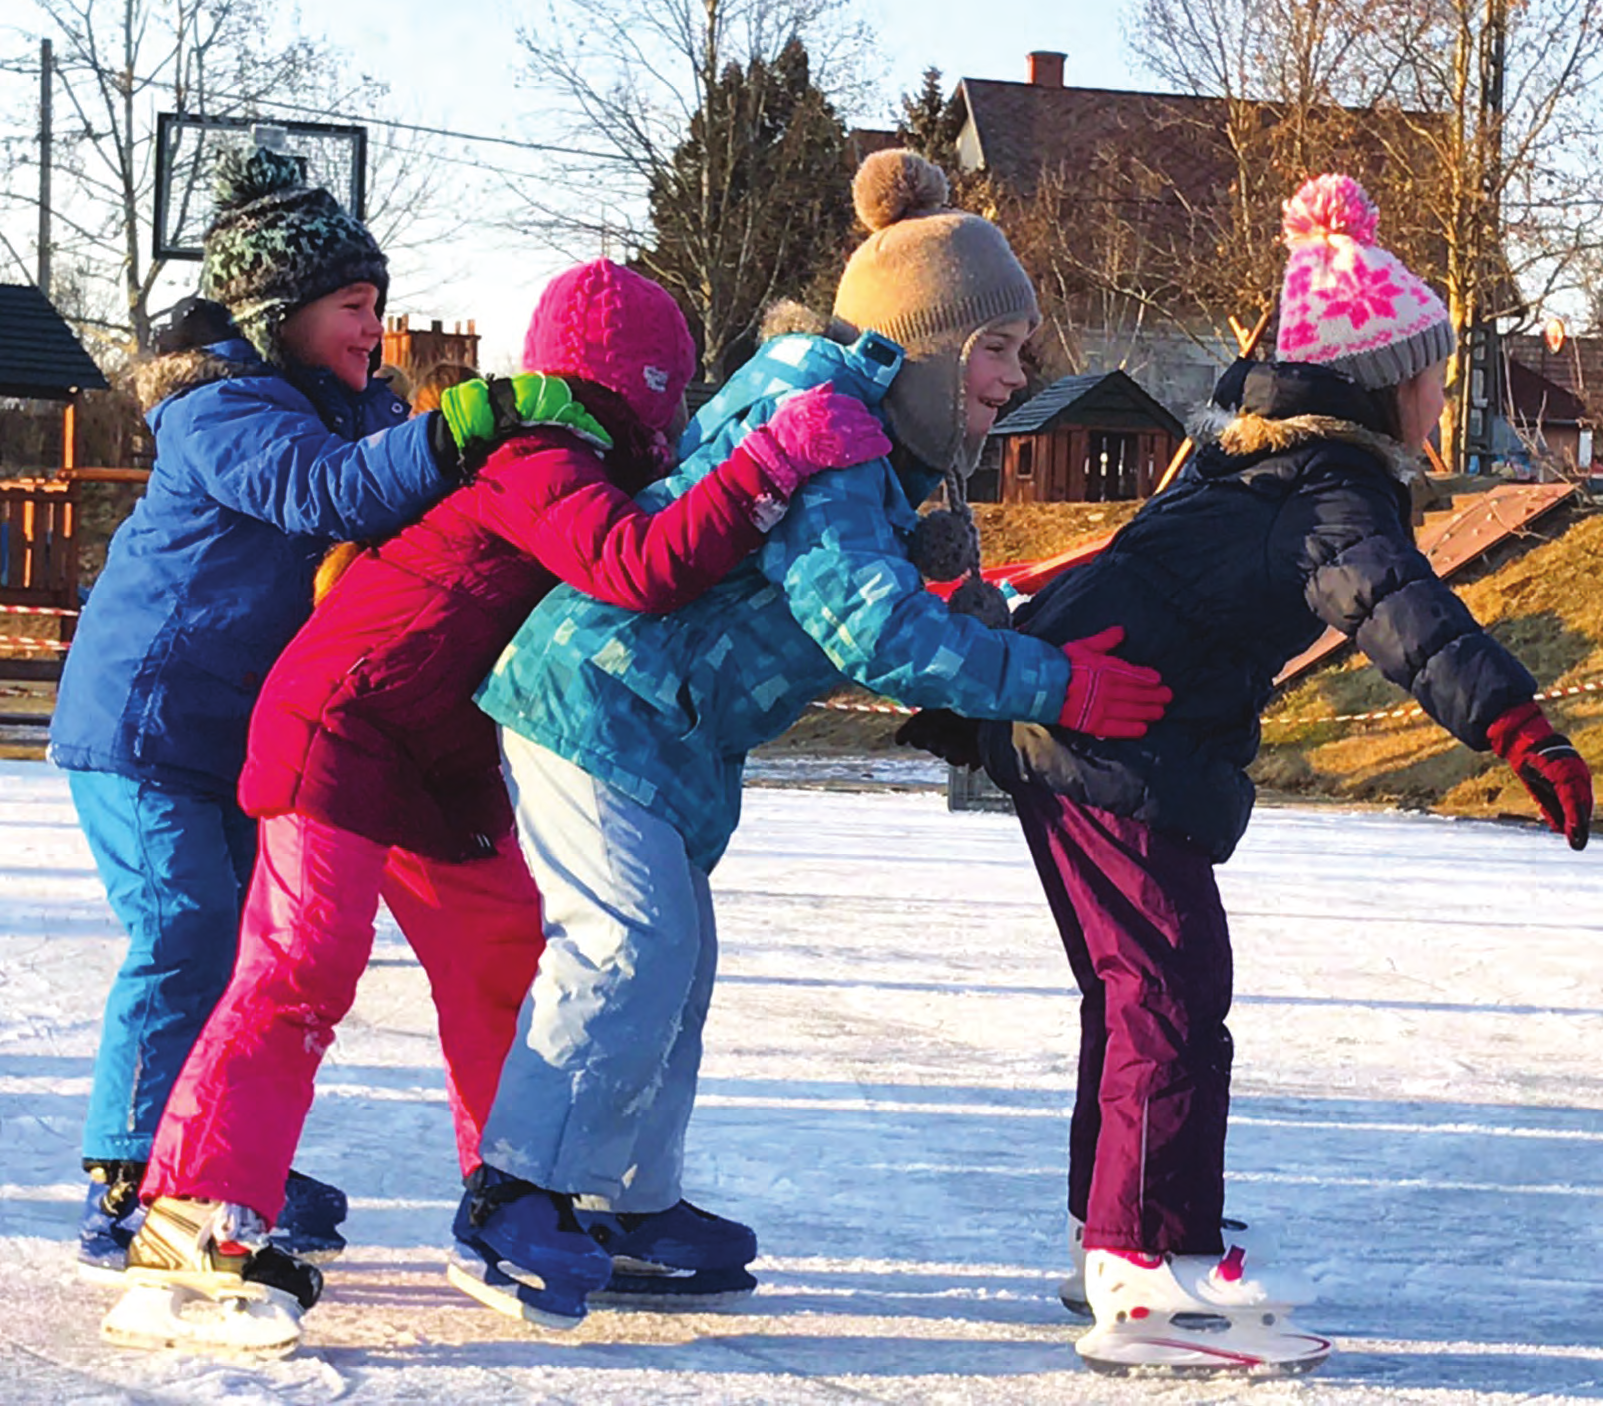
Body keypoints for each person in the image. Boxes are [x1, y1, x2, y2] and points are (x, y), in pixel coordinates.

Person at [108, 260, 891, 1352]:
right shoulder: (541, 454)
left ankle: (526, 1190)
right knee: (301, 967)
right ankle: (192, 1213)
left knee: (508, 963)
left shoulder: (594, 461)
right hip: (341, 721)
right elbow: (636, 566)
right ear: (637, 383)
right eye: (665, 393)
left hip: (443, 754)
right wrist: (767, 462)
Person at [449, 150, 1171, 1330]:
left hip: (661, 732)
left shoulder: (886, 458)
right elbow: (869, 624)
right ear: (926, 348)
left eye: (1019, 352)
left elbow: (909, 605)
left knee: (675, 964)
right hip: (594, 698)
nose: (1012, 379)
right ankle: (512, 1191)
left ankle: (628, 1205)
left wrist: (997, 633)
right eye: (995, 350)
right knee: (630, 944)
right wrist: (1055, 686)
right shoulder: (826, 423)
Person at [905, 173, 1593, 1379]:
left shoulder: (1248, 469)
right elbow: (1404, 615)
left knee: (1141, 993)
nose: (1441, 394)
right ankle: (1142, 1258)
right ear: (1388, 384)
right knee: (1168, 993)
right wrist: (1519, 727)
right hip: (1104, 746)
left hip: (1079, 739)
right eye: (1431, 371)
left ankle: (1111, 1237)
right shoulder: (1328, 497)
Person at [49, 144, 550, 1279]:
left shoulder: (333, 401)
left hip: (227, 730)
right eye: (352, 306)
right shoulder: (221, 408)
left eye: (377, 304)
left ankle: (205, 1148)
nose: (373, 327)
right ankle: (131, 1169)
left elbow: (404, 496)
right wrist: (464, 419)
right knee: (181, 932)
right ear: (279, 312)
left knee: (238, 950)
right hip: (142, 722)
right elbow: (330, 490)